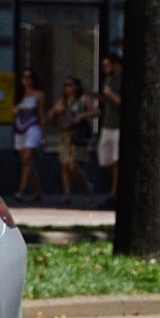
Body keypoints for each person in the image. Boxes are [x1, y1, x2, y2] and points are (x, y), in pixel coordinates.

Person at [52, 75, 96, 203]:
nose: (68, 88)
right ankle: (67, 194)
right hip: (65, 135)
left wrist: (82, 116)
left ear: (77, 87)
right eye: (65, 85)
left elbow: (96, 111)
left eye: (70, 85)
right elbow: (51, 114)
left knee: (73, 165)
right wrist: (56, 111)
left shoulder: (83, 100)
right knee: (65, 165)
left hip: (77, 135)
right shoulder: (63, 101)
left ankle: (87, 186)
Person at [13, 68, 47, 204]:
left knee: (28, 159)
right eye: (25, 77)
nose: (27, 80)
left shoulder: (39, 96)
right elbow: (12, 111)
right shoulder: (18, 95)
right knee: (27, 163)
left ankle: (21, 191)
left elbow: (42, 115)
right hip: (20, 127)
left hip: (33, 127)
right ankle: (38, 192)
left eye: (30, 77)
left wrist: (43, 134)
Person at [96, 50, 123, 200]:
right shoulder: (108, 80)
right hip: (107, 124)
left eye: (107, 65)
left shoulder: (121, 80)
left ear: (116, 65)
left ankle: (114, 194)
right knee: (104, 160)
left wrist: (110, 93)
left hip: (118, 126)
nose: (105, 68)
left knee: (117, 160)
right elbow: (108, 101)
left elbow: (121, 102)